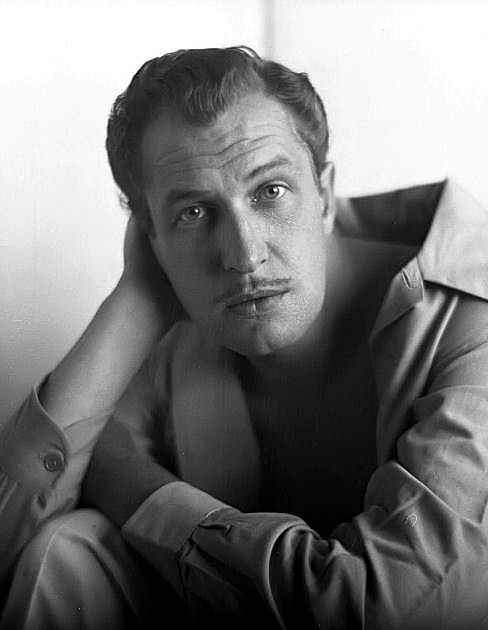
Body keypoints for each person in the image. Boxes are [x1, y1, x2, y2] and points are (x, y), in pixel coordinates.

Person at [1, 46, 488, 629]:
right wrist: (133, 304)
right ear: (150, 239)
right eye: (194, 213)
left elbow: (385, 609)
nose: (244, 255)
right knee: (66, 550)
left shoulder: (467, 321)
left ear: (325, 196)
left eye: (270, 190)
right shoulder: (177, 330)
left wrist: (137, 490)